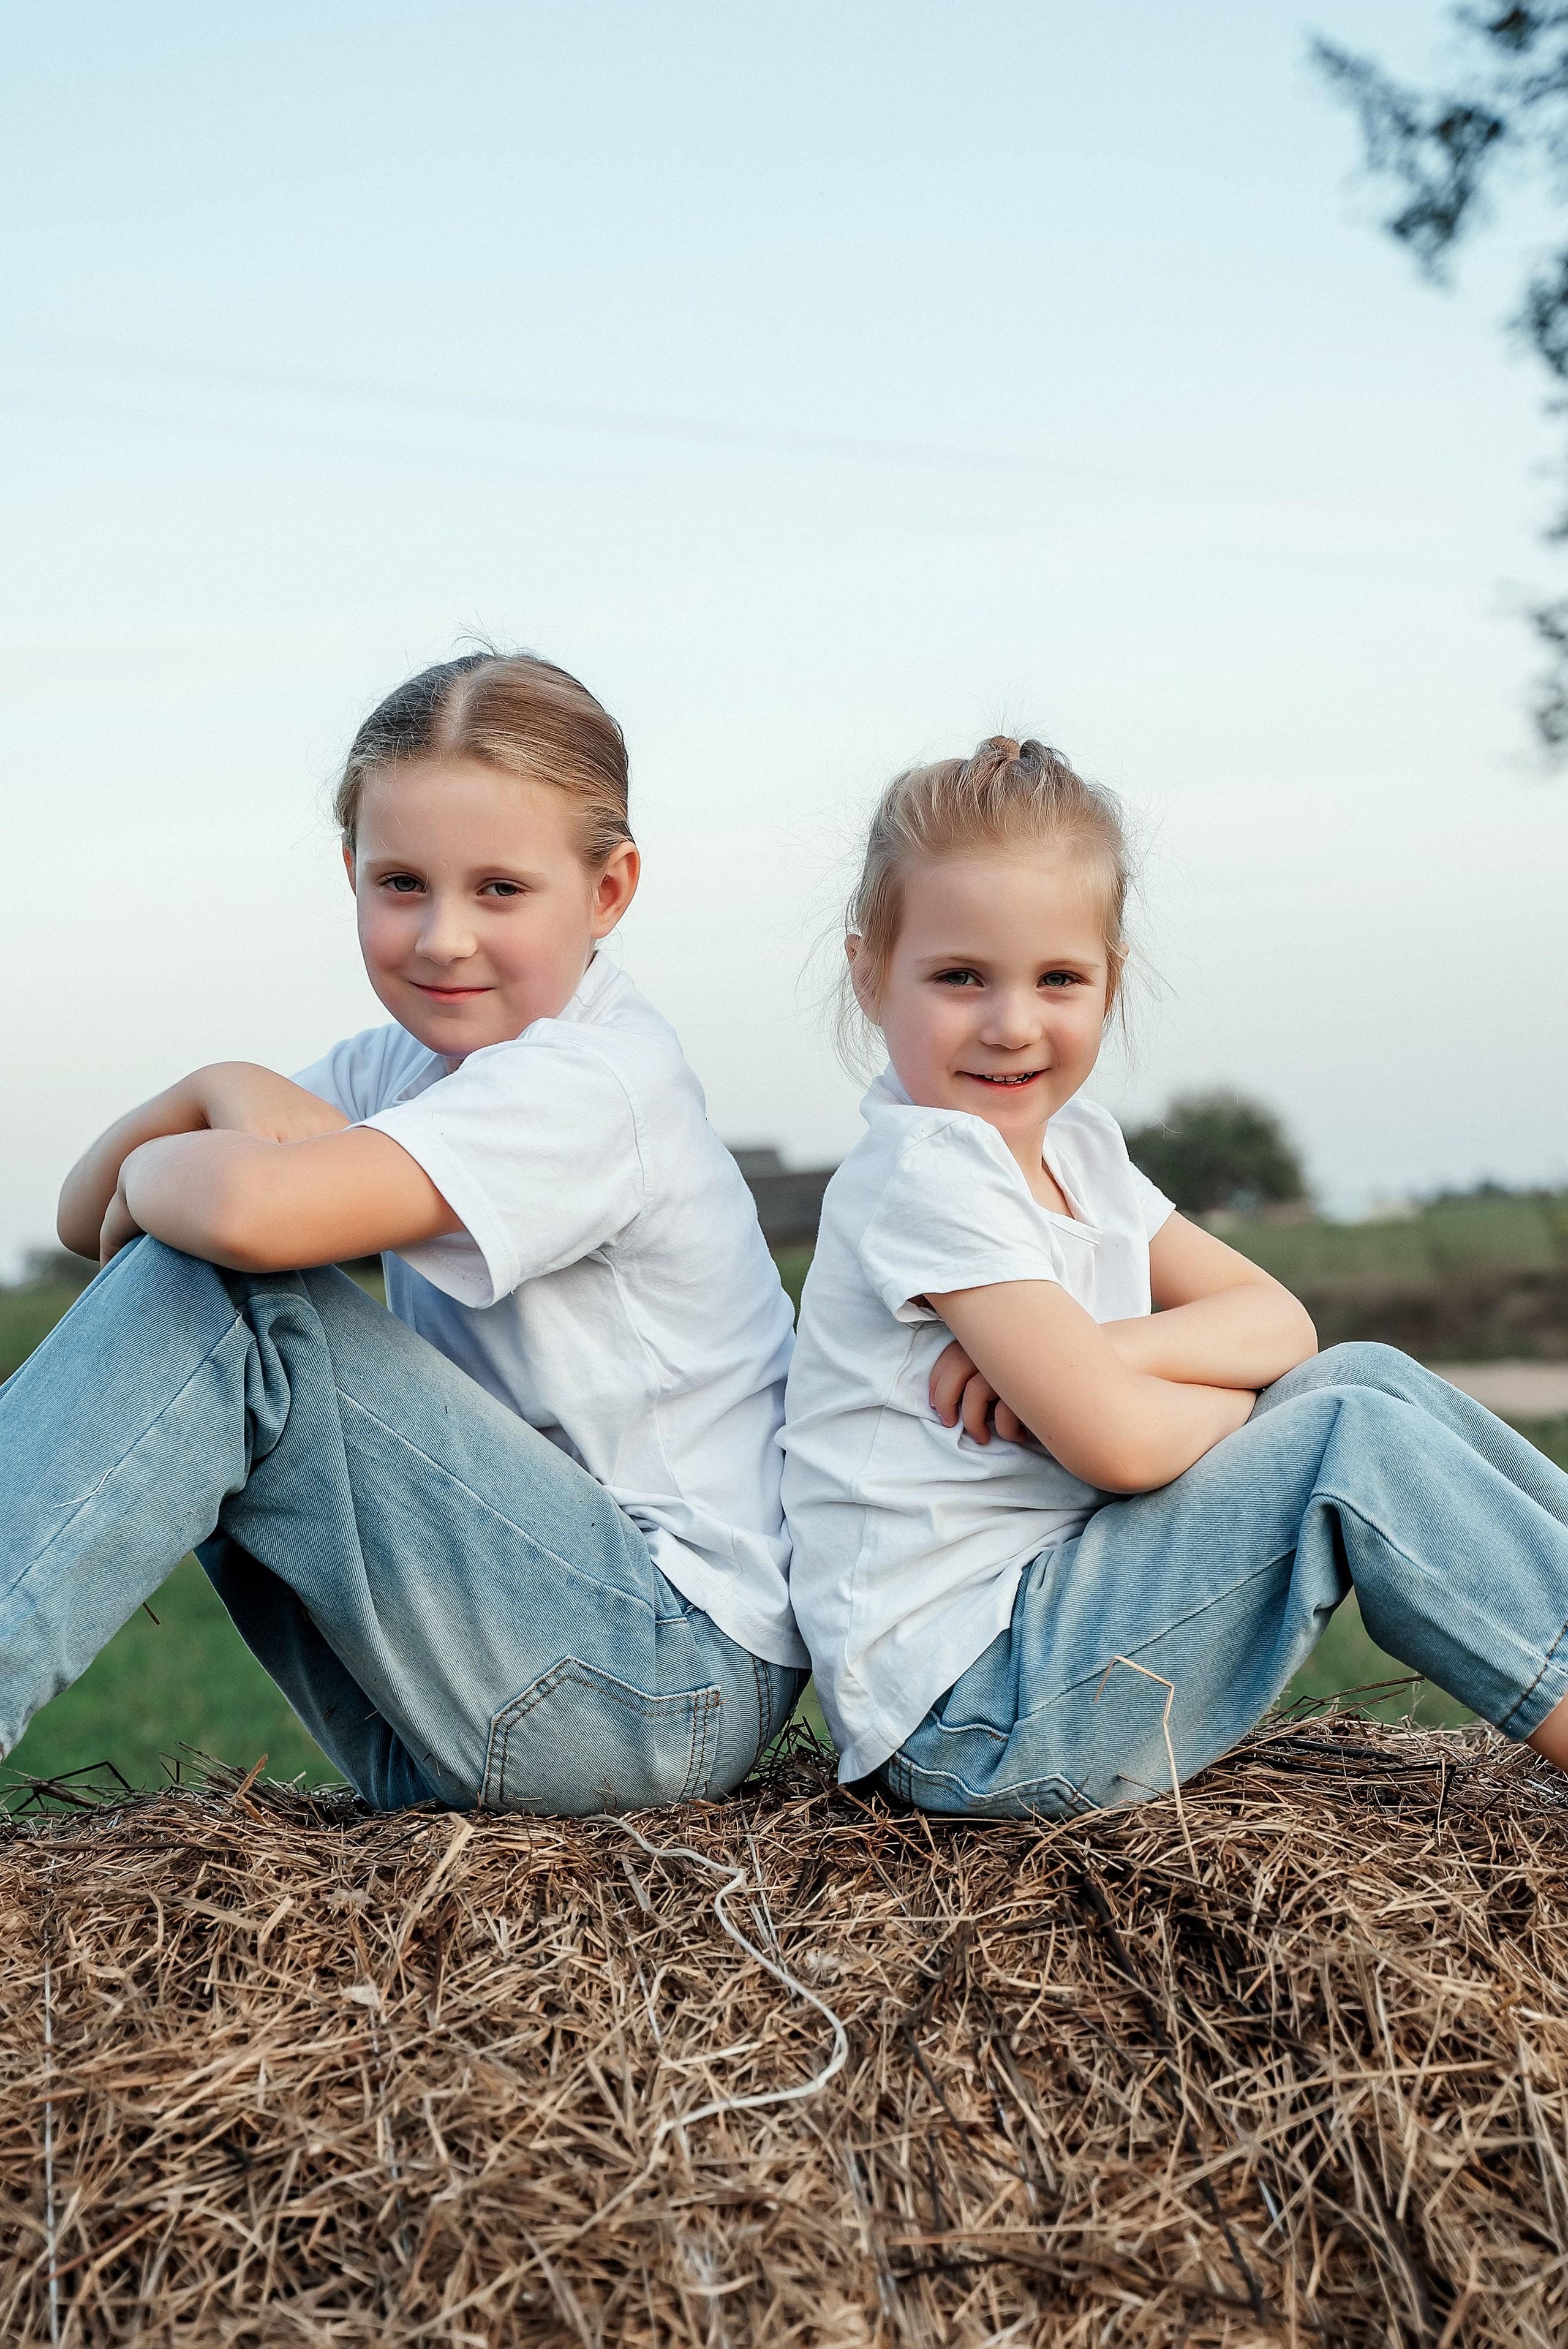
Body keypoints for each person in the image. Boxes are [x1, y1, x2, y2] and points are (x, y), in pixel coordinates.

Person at [0, 651, 807, 1812]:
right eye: (401, 884)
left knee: (236, 1298)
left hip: (659, 1680)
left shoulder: (596, 1082)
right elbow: (88, 1219)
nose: (442, 937)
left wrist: (202, 1136)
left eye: (500, 889)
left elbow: (235, 1214)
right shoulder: (403, 1067)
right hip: (473, 1697)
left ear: (609, 891)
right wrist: (205, 1097)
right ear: (351, 875)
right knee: (201, 1267)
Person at [780, 735, 1568, 1815]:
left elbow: (1282, 1324)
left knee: (1365, 1377)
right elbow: (1123, 1445)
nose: (1012, 1023)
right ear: (871, 973)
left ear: (1112, 981)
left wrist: (1104, 1350)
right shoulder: (925, 1173)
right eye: (960, 977)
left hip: (1057, 1629)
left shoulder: (1081, 1152)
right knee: (1346, 1430)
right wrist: (1250, 1413)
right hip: (971, 1710)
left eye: (1059, 978)